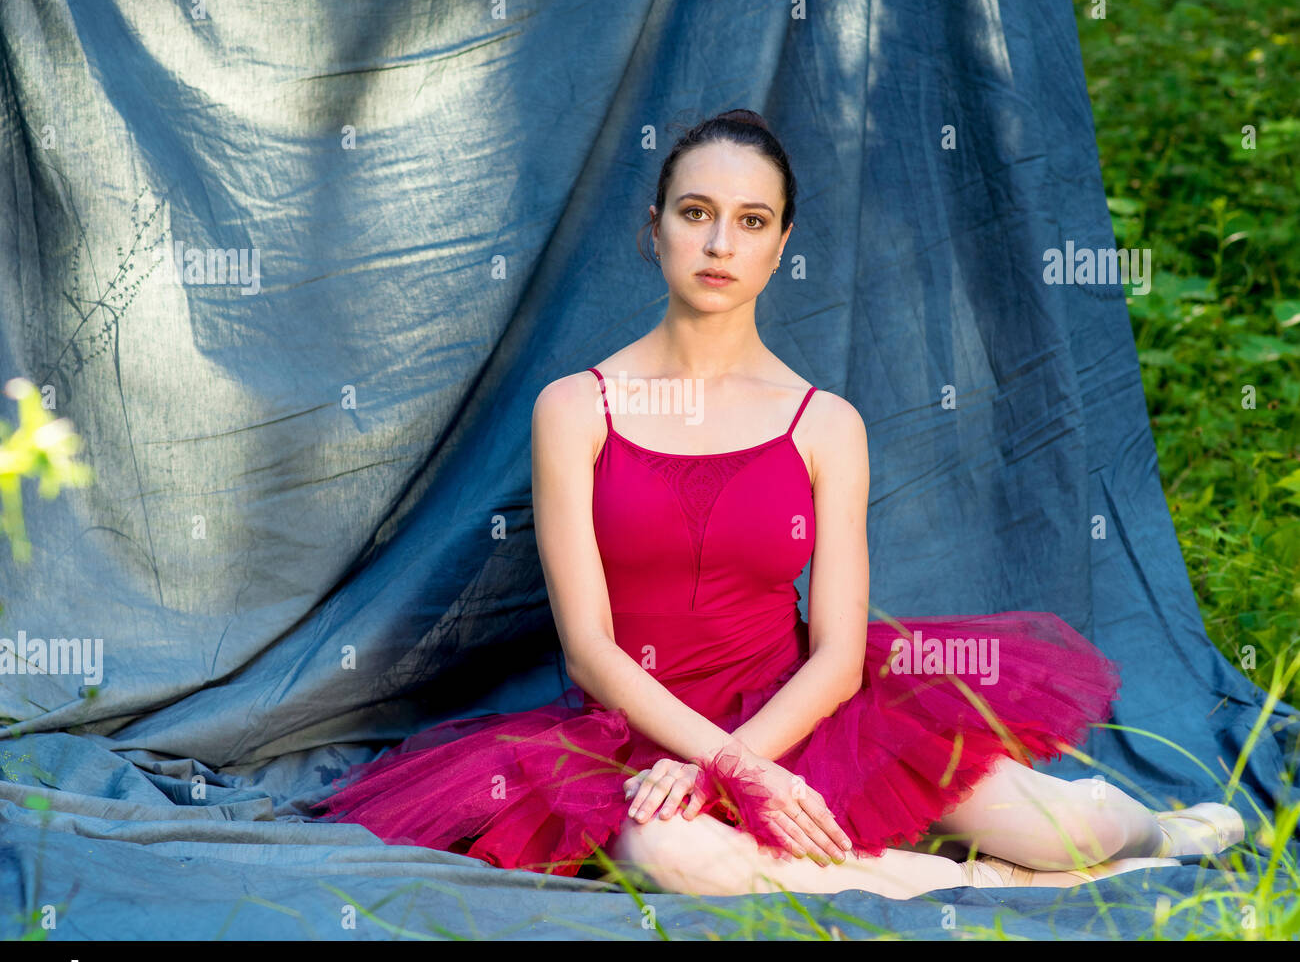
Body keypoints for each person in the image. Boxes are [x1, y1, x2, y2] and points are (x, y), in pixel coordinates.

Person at [310, 109, 1245, 898]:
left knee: (1066, 824)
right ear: (656, 228)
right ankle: (981, 887)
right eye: (697, 213)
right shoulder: (576, 407)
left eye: (751, 220)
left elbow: (837, 655)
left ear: (782, 243)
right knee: (688, 861)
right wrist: (724, 767)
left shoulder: (824, 422)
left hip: (798, 711)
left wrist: (750, 754)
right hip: (637, 739)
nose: (721, 243)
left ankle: (1156, 834)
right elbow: (591, 647)